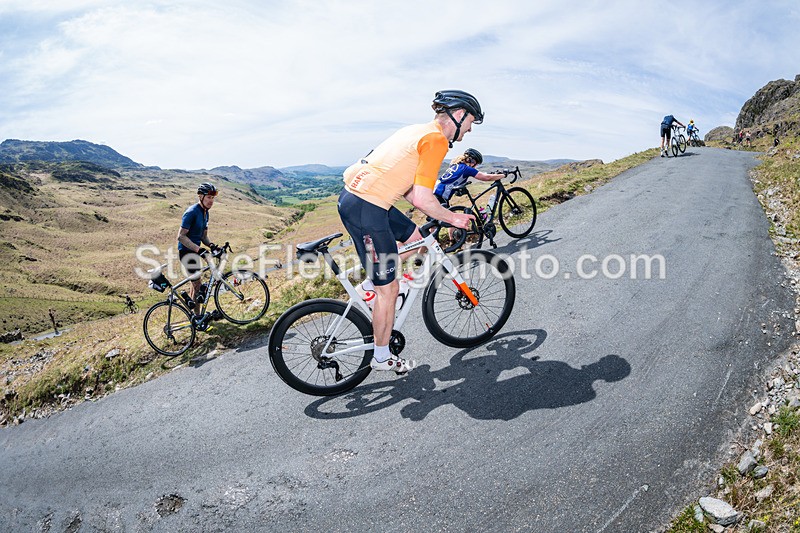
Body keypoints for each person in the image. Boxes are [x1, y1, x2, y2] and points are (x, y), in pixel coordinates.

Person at [338, 89, 482, 373]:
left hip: (360, 198)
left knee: (418, 240)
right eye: (469, 123)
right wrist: (454, 218)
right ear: (458, 114)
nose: (467, 131)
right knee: (388, 290)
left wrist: (427, 204)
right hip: (368, 207)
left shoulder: (416, 131)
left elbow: (405, 184)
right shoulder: (436, 139)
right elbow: (421, 199)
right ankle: (381, 356)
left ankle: (371, 287)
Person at [177, 182, 219, 330]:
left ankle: (194, 316)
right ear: (200, 197)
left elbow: (203, 236)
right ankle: (198, 320)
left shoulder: (205, 213)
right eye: (208, 197)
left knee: (195, 285)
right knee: (197, 285)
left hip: (195, 251)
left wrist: (212, 245)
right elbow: (181, 236)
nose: (211, 201)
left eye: (213, 198)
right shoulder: (191, 212)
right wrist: (198, 250)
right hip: (187, 252)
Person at [433, 148, 505, 206]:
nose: (474, 166)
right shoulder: (466, 169)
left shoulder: (456, 165)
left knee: (438, 220)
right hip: (441, 195)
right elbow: (486, 177)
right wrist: (503, 175)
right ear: (469, 159)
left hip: (434, 191)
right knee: (447, 221)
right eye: (474, 162)